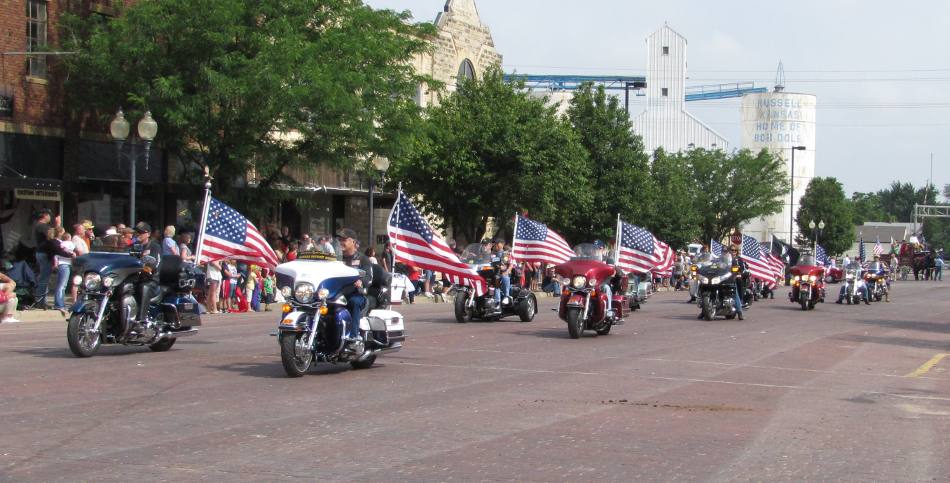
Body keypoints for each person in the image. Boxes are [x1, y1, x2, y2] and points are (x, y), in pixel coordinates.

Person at [337, 228, 373, 345]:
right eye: (340, 239)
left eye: (344, 240)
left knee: (354, 302)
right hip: (336, 293)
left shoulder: (362, 259)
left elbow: (369, 277)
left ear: (353, 242)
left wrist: (360, 281)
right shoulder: (336, 259)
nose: (341, 242)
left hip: (356, 293)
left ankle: (354, 337)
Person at [31, 208, 58, 309]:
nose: (50, 217)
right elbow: (52, 236)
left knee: (44, 278)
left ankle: (42, 301)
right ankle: (40, 301)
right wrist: (57, 225)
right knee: (44, 278)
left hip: (42, 253)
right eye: (49, 215)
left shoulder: (39, 225)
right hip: (44, 254)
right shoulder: (42, 226)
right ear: (44, 215)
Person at [52, 227, 76, 317]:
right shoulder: (69, 244)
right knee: (62, 285)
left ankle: (58, 303)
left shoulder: (61, 244)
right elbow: (72, 251)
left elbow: (56, 255)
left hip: (61, 264)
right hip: (65, 264)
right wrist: (72, 254)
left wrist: (55, 264)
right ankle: (59, 304)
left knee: (60, 285)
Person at [490, 238, 512, 309]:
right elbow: (488, 261)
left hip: (504, 272)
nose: (496, 245)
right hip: (495, 273)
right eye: (495, 243)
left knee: (504, 277)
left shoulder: (506, 253)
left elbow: (511, 264)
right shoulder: (492, 254)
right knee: (496, 283)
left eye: (497, 243)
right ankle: (497, 301)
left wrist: (506, 271)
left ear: (502, 244)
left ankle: (506, 296)